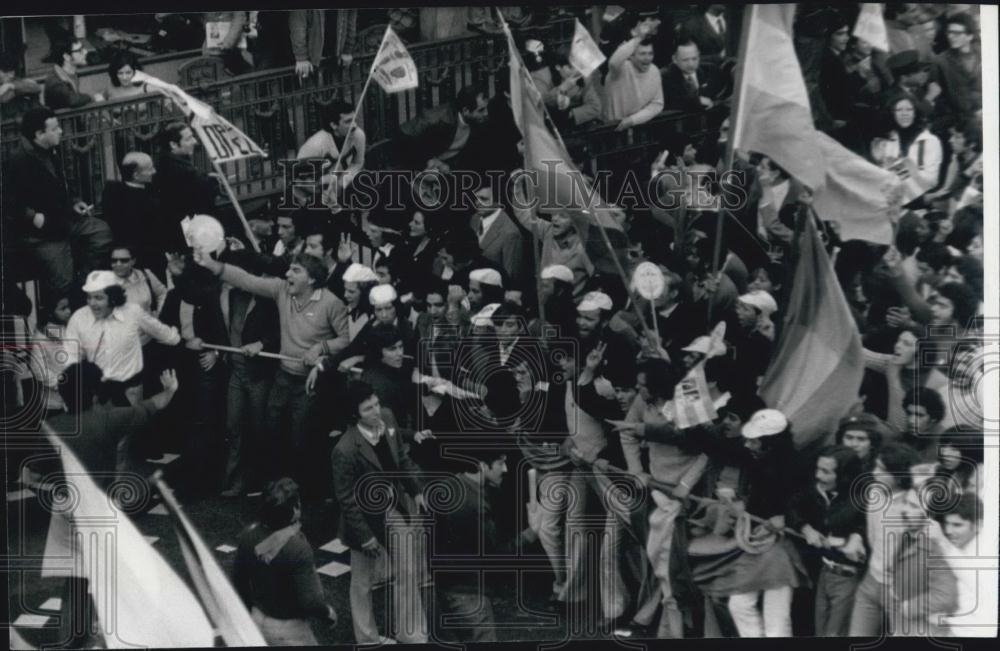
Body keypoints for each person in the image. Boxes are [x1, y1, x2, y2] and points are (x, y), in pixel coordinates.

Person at [43, 361, 179, 649]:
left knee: (76, 579)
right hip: (98, 512)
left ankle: (70, 639)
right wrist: (171, 389)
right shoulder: (109, 420)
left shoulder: (51, 428)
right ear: (93, 394)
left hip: (66, 510)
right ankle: (101, 639)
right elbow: (154, 405)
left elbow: (32, 474)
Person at [191, 248, 350, 485]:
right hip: (282, 376)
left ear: (312, 279)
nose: (287, 274)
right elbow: (246, 280)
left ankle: (301, 491)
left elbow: (345, 340)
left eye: (296, 270)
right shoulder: (282, 290)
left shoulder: (332, 303)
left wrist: (320, 348)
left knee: (300, 438)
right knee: (272, 431)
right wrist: (214, 266)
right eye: (289, 269)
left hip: (310, 382)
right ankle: (276, 486)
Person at [330, 381, 429, 644]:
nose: (376, 411)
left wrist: (416, 491)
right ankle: (367, 638)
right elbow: (347, 500)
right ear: (355, 415)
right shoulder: (345, 449)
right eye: (367, 409)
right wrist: (365, 536)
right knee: (362, 583)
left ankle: (411, 634)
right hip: (362, 518)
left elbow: (403, 460)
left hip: (393, 508)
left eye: (376, 403)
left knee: (407, 570)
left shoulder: (387, 418)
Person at [233, 477, 336, 645]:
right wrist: (327, 614)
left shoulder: (249, 534)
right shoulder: (298, 547)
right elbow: (310, 601)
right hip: (289, 629)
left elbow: (239, 579)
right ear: (295, 509)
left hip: (258, 617)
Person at [787, 445, 865, 636]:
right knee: (820, 631)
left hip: (848, 577)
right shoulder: (818, 490)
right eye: (818, 469)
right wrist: (805, 528)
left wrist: (847, 540)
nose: (818, 476)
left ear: (845, 475)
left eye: (826, 472)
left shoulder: (862, 500)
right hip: (824, 572)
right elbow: (793, 507)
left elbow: (862, 533)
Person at [847, 442, 922, 636]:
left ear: (899, 475)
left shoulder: (914, 505)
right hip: (871, 580)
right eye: (876, 466)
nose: (874, 473)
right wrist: (857, 538)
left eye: (882, 469)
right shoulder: (874, 492)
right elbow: (872, 533)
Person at [888, 483, 959, 637]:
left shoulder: (935, 548)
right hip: (903, 624)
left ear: (929, 516)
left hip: (925, 630)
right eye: (905, 502)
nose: (904, 510)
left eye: (913, 506)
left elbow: (946, 595)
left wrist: (909, 607)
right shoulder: (906, 534)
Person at [101, 152, 170, 277]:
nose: (154, 171)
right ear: (136, 175)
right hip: (147, 258)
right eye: (149, 169)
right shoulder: (143, 203)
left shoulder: (116, 193)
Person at [396, 84, 491, 171]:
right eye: (481, 110)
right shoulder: (438, 119)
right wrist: (428, 161)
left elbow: (475, 155)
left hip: (452, 168)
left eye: (486, 108)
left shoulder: (480, 122)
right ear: (465, 110)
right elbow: (403, 136)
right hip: (426, 167)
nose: (486, 113)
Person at [293, 99, 366, 210]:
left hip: (340, 186)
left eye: (354, 120)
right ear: (333, 125)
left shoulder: (358, 135)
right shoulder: (315, 145)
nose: (354, 125)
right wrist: (324, 185)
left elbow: (357, 162)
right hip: (312, 193)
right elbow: (299, 178)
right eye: (348, 121)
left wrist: (342, 183)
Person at [872, 96, 942, 205]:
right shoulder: (888, 139)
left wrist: (903, 168)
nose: (904, 113)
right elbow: (883, 176)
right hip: (890, 200)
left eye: (909, 109)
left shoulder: (930, 141)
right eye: (899, 110)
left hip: (918, 202)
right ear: (892, 114)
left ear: (915, 113)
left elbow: (931, 181)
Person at [152, 121, 220, 224]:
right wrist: (213, 181)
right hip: (188, 224)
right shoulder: (180, 169)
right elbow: (203, 190)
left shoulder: (164, 160)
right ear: (173, 144)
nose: (195, 141)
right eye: (188, 139)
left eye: (192, 137)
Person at [604, 19, 663, 130]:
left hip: (639, 127)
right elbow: (613, 61)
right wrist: (639, 38)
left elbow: (657, 104)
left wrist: (632, 120)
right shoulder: (620, 69)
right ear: (631, 56)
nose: (647, 58)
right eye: (642, 54)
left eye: (650, 53)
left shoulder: (654, 71)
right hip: (613, 128)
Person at [528, 42, 603, 131]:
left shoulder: (583, 77)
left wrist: (570, 114)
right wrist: (562, 88)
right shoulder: (540, 77)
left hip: (571, 123)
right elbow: (539, 104)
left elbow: (595, 107)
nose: (577, 71)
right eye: (571, 67)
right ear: (558, 67)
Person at [929, 12, 981, 123]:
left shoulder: (985, 54)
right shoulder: (940, 61)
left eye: (957, 33)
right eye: (949, 32)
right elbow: (938, 98)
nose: (951, 36)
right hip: (958, 121)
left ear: (970, 36)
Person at [469, 182, 525, 286]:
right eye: (476, 198)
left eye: (484, 199)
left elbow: (510, 277)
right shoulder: (474, 219)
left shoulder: (510, 233)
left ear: (498, 201)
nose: (477, 202)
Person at [661, 38, 724, 113]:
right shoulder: (664, 77)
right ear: (674, 59)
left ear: (699, 56)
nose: (691, 64)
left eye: (694, 59)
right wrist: (696, 101)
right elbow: (668, 102)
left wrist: (714, 103)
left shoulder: (710, 70)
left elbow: (722, 97)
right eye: (685, 60)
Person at [109, 243, 167, 318]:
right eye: (114, 260)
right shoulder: (105, 282)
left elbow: (162, 293)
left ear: (133, 261)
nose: (118, 264)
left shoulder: (146, 275)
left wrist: (159, 315)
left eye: (124, 260)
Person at [43, 38, 103, 109]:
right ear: (67, 57)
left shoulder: (69, 73)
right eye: (80, 51)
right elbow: (72, 100)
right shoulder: (55, 82)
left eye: (83, 48)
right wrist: (92, 97)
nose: (85, 52)